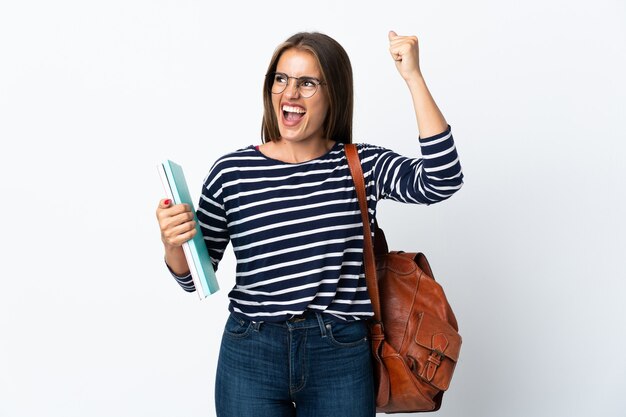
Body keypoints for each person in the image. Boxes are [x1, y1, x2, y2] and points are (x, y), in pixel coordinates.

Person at [156, 30, 463, 417]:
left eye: (307, 83)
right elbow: (194, 278)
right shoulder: (232, 171)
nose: (290, 93)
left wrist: (414, 78)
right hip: (251, 350)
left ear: (332, 92)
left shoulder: (361, 165)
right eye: (281, 79)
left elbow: (442, 178)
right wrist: (173, 243)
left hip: (338, 351)